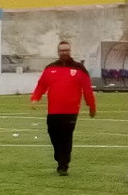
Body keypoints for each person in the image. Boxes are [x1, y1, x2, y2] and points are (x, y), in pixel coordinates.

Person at [30, 41, 97, 176]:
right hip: (53, 110)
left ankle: (63, 165)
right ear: (58, 52)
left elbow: (87, 89)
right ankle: (59, 156)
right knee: (53, 134)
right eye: (62, 50)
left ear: (70, 51)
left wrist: (91, 106)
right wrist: (35, 98)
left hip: (71, 111)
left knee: (66, 137)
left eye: (66, 50)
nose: (64, 52)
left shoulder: (79, 69)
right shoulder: (50, 68)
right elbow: (41, 85)